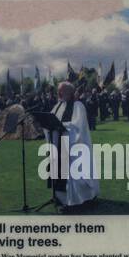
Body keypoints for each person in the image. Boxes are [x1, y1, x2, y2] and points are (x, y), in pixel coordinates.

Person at [45, 81, 99, 212]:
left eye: (61, 91)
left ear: (68, 92)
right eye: (59, 91)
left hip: (73, 145)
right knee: (59, 171)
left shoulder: (77, 106)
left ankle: (76, 200)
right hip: (59, 144)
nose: (58, 93)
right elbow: (50, 120)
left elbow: (78, 126)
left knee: (73, 174)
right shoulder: (58, 106)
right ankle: (60, 198)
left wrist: (61, 127)